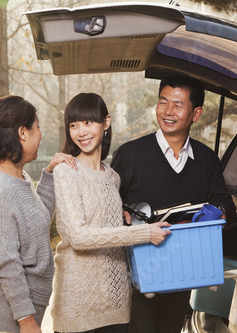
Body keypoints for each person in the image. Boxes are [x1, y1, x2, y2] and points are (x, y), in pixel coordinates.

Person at [110, 75, 236, 333]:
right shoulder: (130, 154)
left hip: (183, 276)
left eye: (178, 105)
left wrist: (217, 212)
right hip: (140, 279)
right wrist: (120, 212)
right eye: (163, 102)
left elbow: (225, 203)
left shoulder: (207, 159)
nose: (168, 111)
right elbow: (108, 204)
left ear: (196, 113)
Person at [51, 93, 172, 333]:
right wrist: (143, 234)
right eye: (74, 125)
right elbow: (78, 237)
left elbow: (110, 232)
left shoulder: (113, 176)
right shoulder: (66, 171)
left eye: (88, 122)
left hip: (116, 304)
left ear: (106, 123)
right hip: (78, 306)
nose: (81, 132)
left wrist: (129, 223)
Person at [0, 95, 76, 333]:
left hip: (25, 316)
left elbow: (37, 221)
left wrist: (49, 174)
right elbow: (5, 262)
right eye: (37, 128)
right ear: (22, 133)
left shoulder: (17, 179)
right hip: (6, 321)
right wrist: (26, 320)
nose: (40, 134)